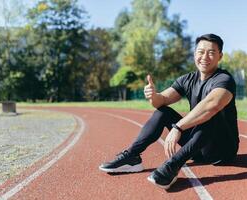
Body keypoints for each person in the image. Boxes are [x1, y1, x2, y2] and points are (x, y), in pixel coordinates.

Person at [99, 33, 239, 190]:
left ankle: (172, 166)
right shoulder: (187, 80)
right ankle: (132, 157)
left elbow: (211, 105)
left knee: (209, 115)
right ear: (194, 54)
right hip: (197, 148)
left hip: (222, 151)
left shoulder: (224, 79)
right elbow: (162, 101)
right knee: (162, 112)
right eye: (200, 51)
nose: (205, 56)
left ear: (220, 56)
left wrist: (178, 127)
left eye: (211, 52)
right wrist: (153, 95)